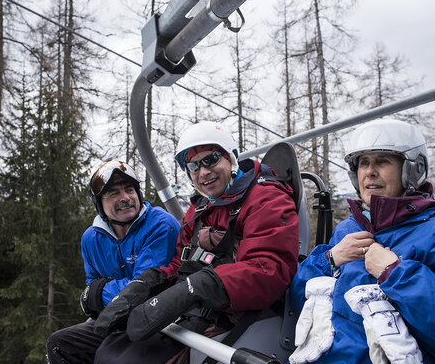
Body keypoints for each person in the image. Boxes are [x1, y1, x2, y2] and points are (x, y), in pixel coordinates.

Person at [289, 118, 435, 364]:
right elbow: (295, 302)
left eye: (383, 161)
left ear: (412, 170)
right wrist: (330, 259)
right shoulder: (347, 231)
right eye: (364, 163)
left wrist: (396, 274)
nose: (370, 171)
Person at [92, 121, 300, 363]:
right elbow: (180, 262)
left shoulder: (265, 199)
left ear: (230, 157)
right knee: (110, 349)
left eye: (210, 160)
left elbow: (269, 269)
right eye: (193, 166)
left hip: (233, 314)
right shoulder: (200, 208)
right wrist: (148, 283)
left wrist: (198, 287)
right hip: (193, 313)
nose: (203, 172)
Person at [46, 160, 180, 364]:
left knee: (110, 358)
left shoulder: (160, 225)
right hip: (116, 318)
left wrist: (100, 294)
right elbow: (92, 283)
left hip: (158, 318)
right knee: (60, 343)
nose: (125, 198)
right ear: (100, 203)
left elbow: (145, 289)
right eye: (114, 193)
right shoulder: (91, 238)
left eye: (129, 190)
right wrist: (97, 294)